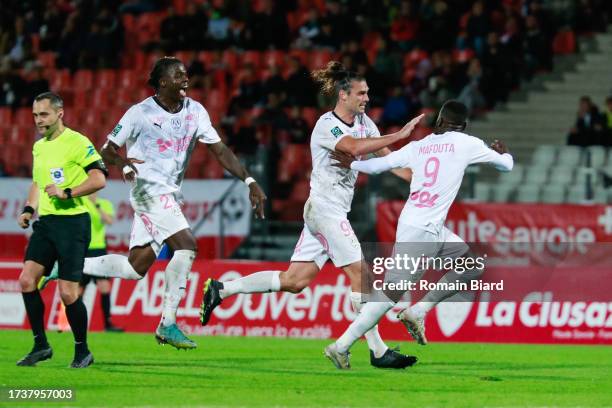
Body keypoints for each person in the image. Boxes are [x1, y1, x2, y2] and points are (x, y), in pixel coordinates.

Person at [200, 61, 422, 369]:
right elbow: (354, 148)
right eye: (361, 93)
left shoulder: (365, 123)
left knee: (294, 280)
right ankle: (377, 351)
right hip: (325, 211)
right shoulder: (326, 125)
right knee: (362, 275)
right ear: (343, 95)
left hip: (325, 213)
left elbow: (384, 158)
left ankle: (221, 289)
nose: (366, 98)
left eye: (368, 93)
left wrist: (412, 176)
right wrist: (398, 134)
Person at [47, 57, 267, 350]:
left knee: (134, 268)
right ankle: (168, 323)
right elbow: (107, 149)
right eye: (179, 75)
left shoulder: (196, 111)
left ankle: (65, 265)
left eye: (186, 74)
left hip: (169, 192)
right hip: (148, 190)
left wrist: (249, 181)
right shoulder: (139, 113)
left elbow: (220, 150)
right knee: (187, 245)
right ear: (163, 82)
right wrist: (124, 163)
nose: (185, 79)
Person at [324, 100, 514, 369]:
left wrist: (352, 166)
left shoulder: (420, 146)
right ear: (464, 126)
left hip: (425, 226)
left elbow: (381, 165)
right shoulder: (467, 143)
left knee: (471, 265)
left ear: (438, 122)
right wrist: (505, 153)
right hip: (422, 231)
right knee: (391, 293)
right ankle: (340, 346)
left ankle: (417, 311)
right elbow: (506, 166)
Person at [17, 92, 107, 368]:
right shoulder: (39, 147)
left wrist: (68, 192)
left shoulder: (78, 143)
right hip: (47, 224)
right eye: (34, 115)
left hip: (73, 223)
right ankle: (41, 345)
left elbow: (99, 179)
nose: (38, 120)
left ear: (59, 113)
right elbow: (37, 182)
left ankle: (82, 351)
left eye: (43, 114)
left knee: (68, 293)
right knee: (26, 280)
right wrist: (29, 209)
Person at [40, 192, 123, 331]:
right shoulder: (79, 202)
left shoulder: (104, 203)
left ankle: (108, 324)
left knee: (104, 287)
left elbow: (109, 221)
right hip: (82, 249)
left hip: (99, 250)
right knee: (77, 289)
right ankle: (68, 322)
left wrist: (96, 205)